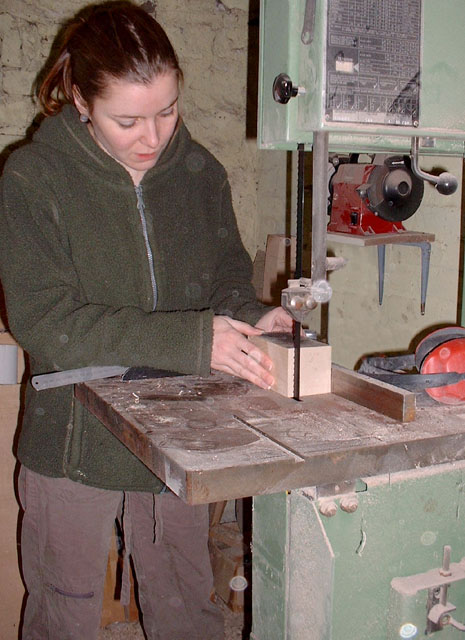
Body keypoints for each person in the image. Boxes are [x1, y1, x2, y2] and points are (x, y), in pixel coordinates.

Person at [0, 2, 293, 639]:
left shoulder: (201, 174)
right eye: (127, 119)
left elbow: (224, 285)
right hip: (74, 444)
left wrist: (256, 318)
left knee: (188, 606)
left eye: (167, 110)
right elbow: (46, 321)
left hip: (177, 439)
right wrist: (194, 340)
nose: (154, 136)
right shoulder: (33, 178)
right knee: (63, 613)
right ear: (80, 98)